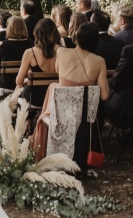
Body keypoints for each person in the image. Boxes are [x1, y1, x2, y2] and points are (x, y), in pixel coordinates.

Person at [32, 23, 109, 162]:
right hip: (85, 119)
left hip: (62, 116)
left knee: (54, 86)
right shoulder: (99, 61)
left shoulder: (62, 52)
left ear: (76, 37)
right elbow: (104, 95)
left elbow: (57, 70)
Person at [15, 18, 60, 104]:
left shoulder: (30, 53)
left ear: (37, 33)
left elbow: (18, 81)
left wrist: (26, 80)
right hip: (54, 98)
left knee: (18, 87)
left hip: (34, 98)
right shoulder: (62, 51)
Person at [0, 16, 31, 91]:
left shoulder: (2, 45)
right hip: (24, 86)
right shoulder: (31, 44)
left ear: (9, 28)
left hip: (5, 85)